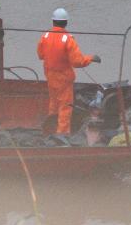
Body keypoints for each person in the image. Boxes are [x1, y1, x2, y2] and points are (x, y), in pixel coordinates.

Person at [36, 8, 100, 137]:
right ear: (65, 23)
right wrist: (91, 58)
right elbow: (77, 62)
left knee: (53, 104)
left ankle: (49, 130)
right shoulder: (68, 39)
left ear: (53, 21)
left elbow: (41, 55)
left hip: (50, 76)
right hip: (64, 79)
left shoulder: (45, 36)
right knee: (65, 107)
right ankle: (62, 135)